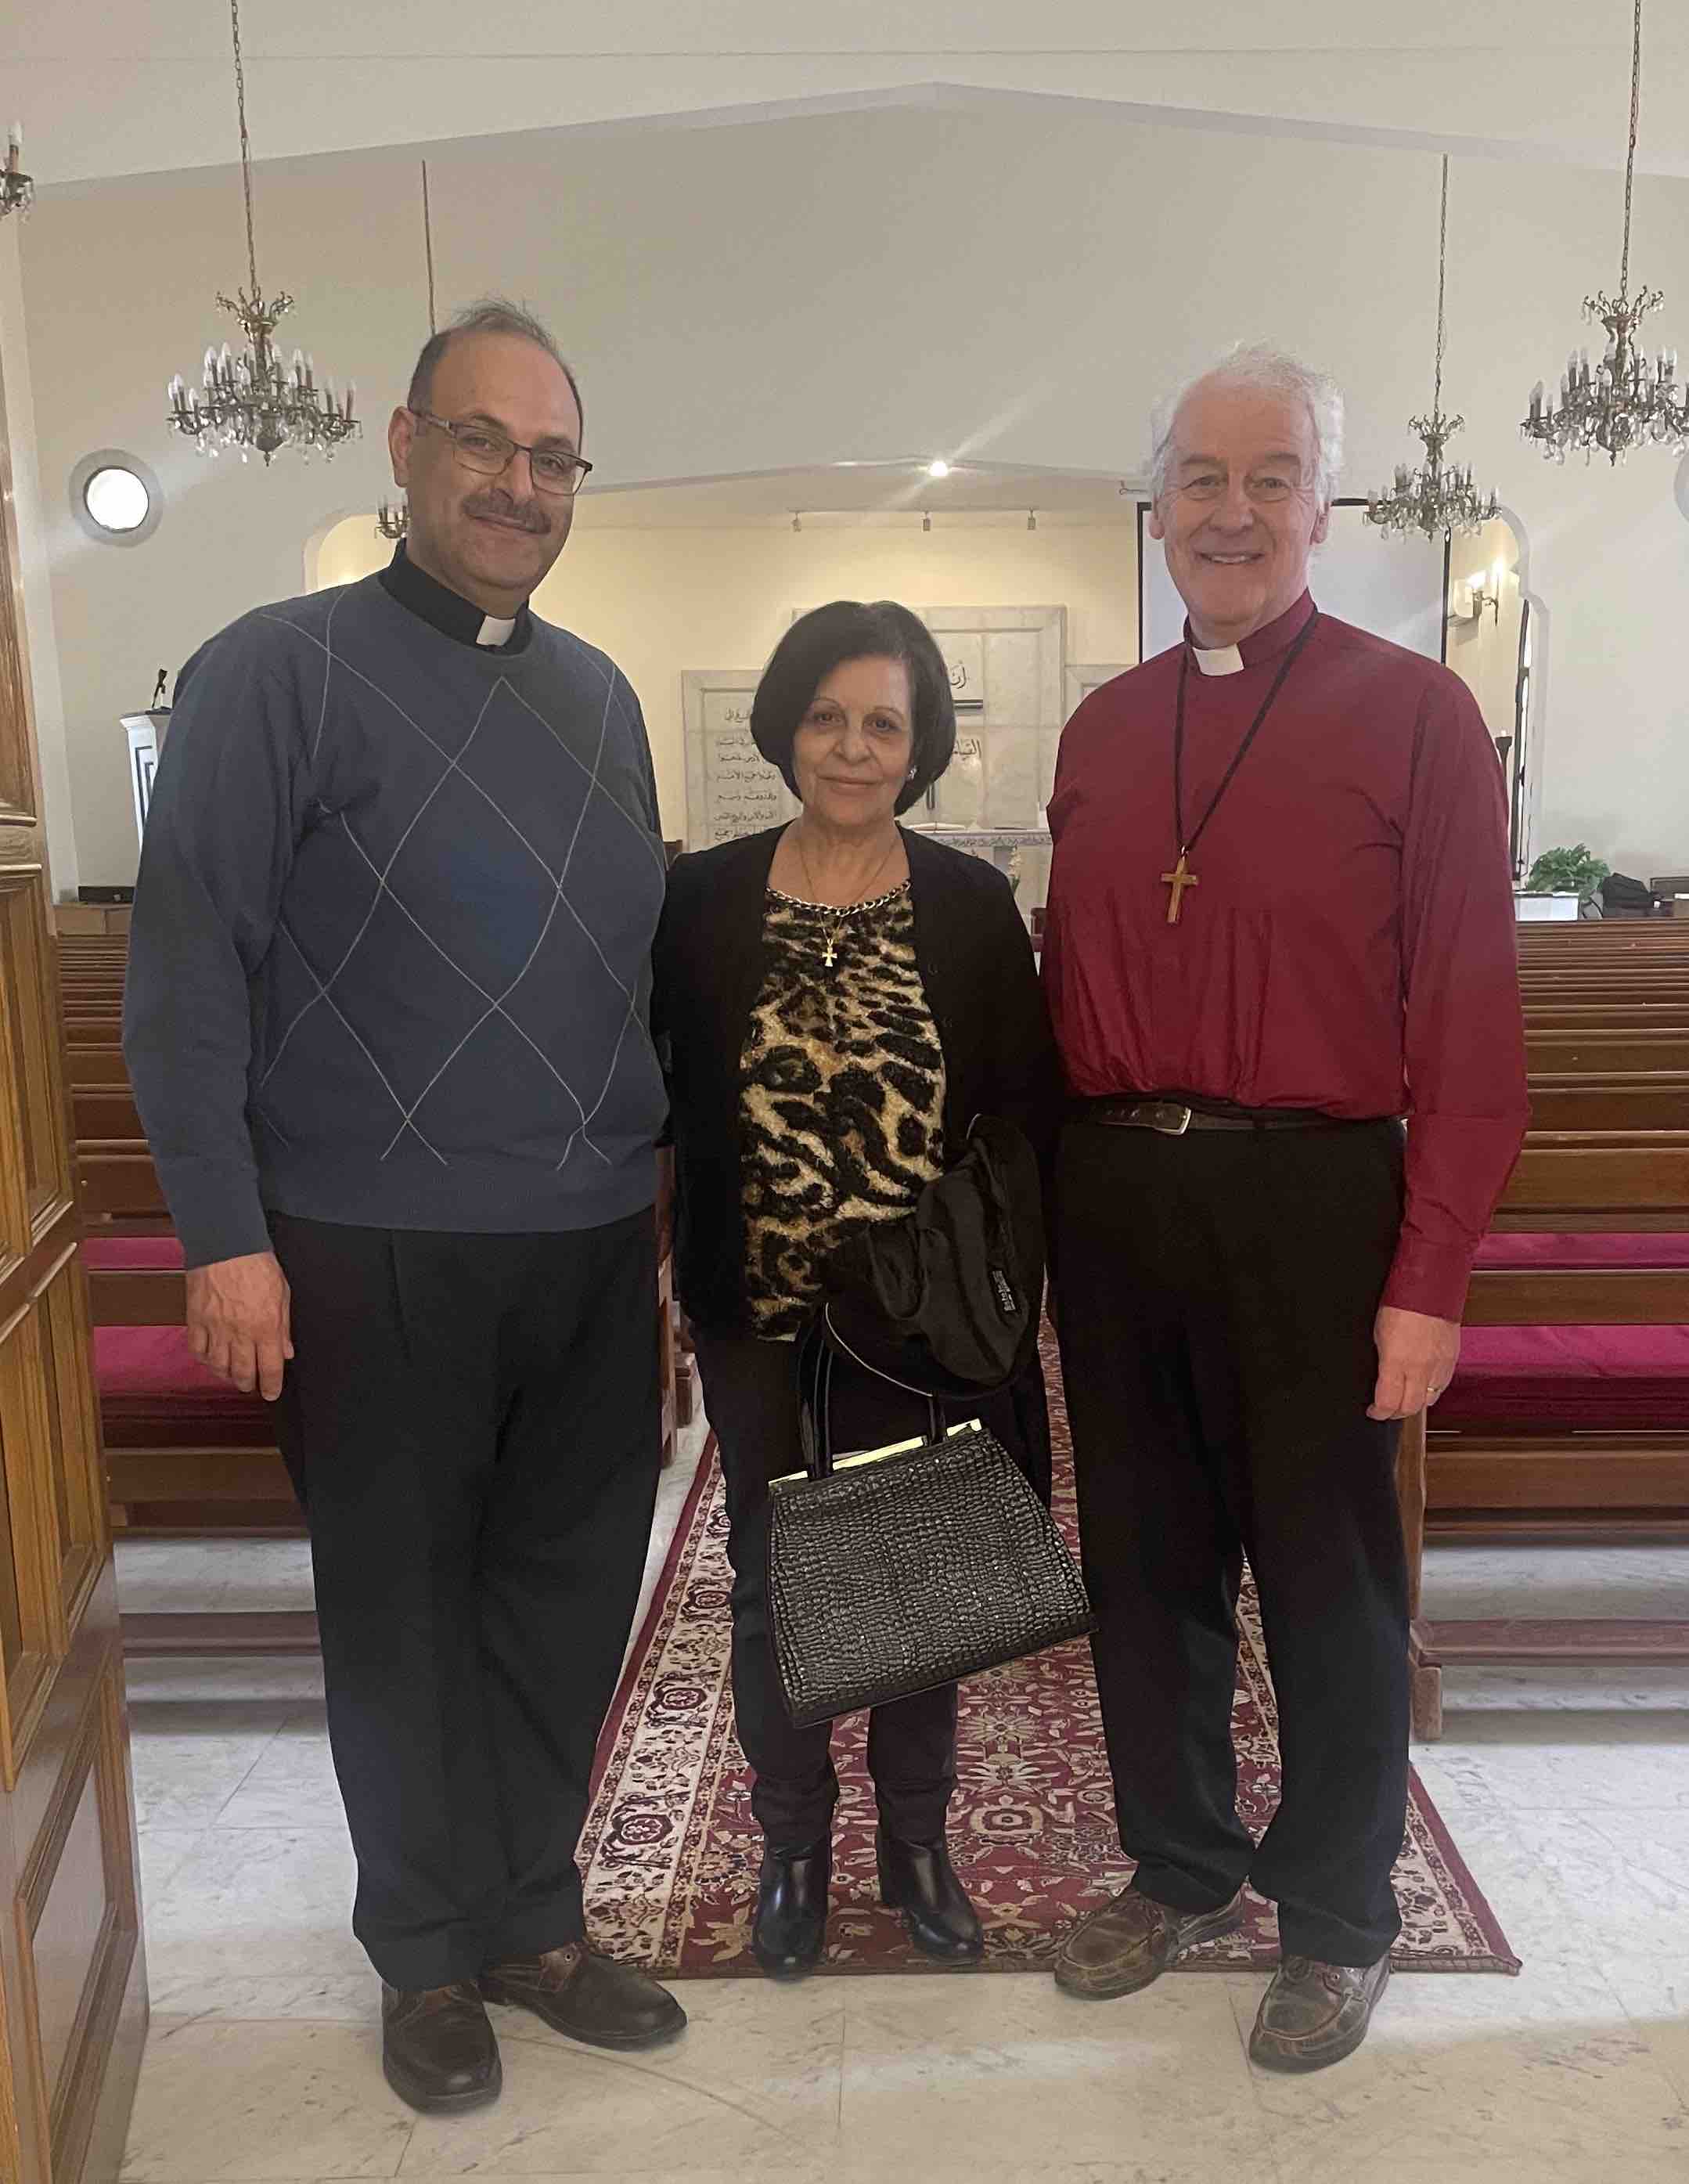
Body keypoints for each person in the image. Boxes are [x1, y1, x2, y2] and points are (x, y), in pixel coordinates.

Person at [124, 299, 686, 2114]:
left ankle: (534, 1917)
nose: (516, 484)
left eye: (549, 458)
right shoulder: (273, 671)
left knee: (561, 1601)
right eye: (482, 443)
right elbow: (192, 959)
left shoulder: (598, 695)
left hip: (588, 1242)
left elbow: (618, 975)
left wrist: (659, 1240)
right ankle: (425, 1951)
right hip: (364, 1245)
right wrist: (223, 1234)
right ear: (404, 445)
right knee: (401, 1614)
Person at [1041, 344, 1528, 2070]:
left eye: (1266, 479)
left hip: (1318, 1192)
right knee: (1143, 1566)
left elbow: (1469, 1013)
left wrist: (1431, 1272)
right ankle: (1175, 1867)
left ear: (1321, 507)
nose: (1228, 511)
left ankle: (1333, 1917)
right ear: (1156, 507)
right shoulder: (1101, 730)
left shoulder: (1415, 715)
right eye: (1198, 478)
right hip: (1116, 1190)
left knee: (1327, 1584)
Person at [654, 600, 1060, 1979]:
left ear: (919, 743)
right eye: (826, 716)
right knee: (774, 1587)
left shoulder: (966, 903)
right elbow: (665, 1097)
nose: (850, 745)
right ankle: (792, 1849)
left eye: (882, 721)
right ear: (785, 724)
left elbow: (1017, 1114)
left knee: (915, 1581)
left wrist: (989, 1287)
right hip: (754, 1312)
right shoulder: (702, 900)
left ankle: (917, 1845)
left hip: (914, 1321)